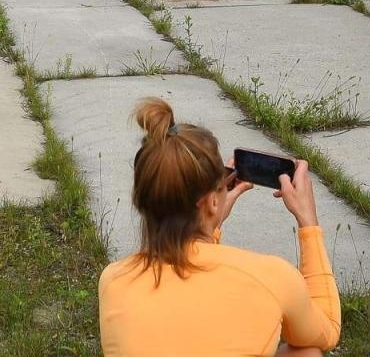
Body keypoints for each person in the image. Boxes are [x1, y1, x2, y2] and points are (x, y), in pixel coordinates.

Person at [97, 98, 339, 356]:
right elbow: (326, 330)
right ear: (212, 200)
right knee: (307, 352)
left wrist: (209, 223)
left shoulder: (113, 280)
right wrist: (308, 223)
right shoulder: (271, 275)